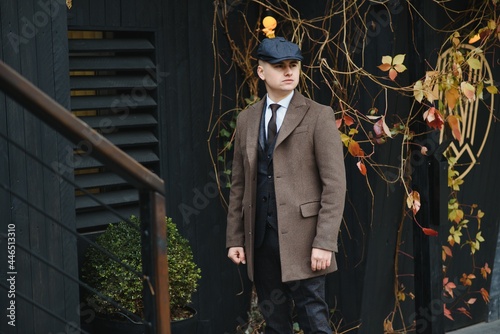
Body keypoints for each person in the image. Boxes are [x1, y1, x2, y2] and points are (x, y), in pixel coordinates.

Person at [226, 36, 346, 334]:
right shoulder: (246, 119)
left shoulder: (318, 115)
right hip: (262, 240)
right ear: (261, 71)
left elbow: (335, 185)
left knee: (314, 320)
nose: (289, 72)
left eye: (293, 65)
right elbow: (239, 184)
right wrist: (235, 238)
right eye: (279, 66)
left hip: (305, 241)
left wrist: (324, 242)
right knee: (275, 323)